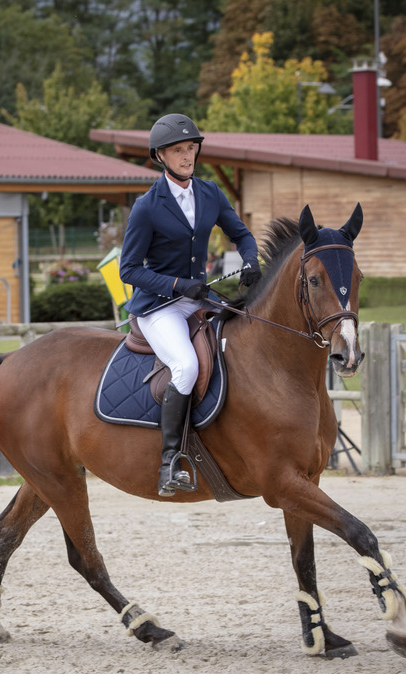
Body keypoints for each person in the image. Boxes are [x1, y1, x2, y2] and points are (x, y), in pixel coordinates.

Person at [119, 113, 260, 497]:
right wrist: (180, 285)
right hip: (159, 307)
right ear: (160, 157)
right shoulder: (147, 206)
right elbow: (128, 270)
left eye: (191, 148)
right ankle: (170, 462)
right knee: (185, 366)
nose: (187, 156)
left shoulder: (211, 192)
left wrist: (250, 260)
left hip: (202, 300)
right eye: (178, 150)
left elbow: (242, 234)